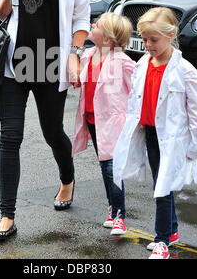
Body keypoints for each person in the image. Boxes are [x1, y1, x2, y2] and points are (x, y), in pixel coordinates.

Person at [0, 0, 90, 241]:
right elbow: (1, 14)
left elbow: (80, 18)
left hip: (51, 60)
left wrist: (76, 53)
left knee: (51, 132)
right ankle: (7, 217)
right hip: (14, 61)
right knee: (10, 137)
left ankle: (67, 178)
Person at [113, 7, 197, 259]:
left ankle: (162, 239)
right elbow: (136, 98)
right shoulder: (143, 63)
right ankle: (172, 230)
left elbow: (196, 113)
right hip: (150, 133)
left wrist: (195, 147)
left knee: (162, 189)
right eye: (144, 39)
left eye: (153, 40)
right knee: (161, 183)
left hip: (173, 138)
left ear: (171, 35)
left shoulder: (186, 71)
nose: (147, 45)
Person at [72, 13, 135, 236]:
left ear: (107, 39)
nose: (92, 25)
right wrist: (76, 76)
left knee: (111, 167)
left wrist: (134, 118)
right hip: (92, 120)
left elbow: (137, 88)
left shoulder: (122, 62)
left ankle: (120, 215)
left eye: (96, 25)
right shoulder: (88, 55)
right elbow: (83, 78)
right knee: (104, 165)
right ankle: (112, 206)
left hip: (113, 123)